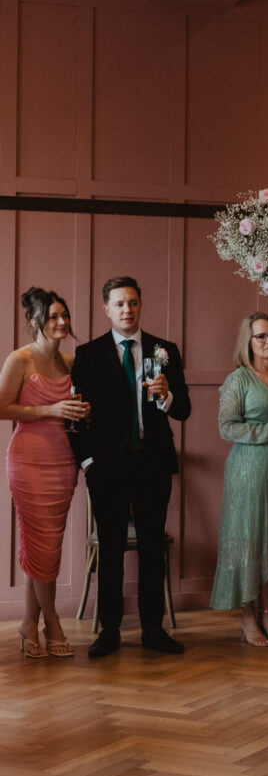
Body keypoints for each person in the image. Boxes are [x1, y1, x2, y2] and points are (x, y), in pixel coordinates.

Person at [70, 276, 191, 658]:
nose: (127, 310)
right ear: (106, 309)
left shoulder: (164, 349)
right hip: (106, 470)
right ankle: (109, 631)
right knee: (111, 548)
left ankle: (153, 629)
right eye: (120, 304)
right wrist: (88, 463)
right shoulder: (87, 355)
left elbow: (184, 409)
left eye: (133, 303)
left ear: (141, 305)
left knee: (153, 547)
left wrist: (166, 395)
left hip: (152, 464)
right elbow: (76, 419)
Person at [0, 288, 89, 657]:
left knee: (44, 547)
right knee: (42, 545)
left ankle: (26, 625)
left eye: (65, 316)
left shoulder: (72, 362)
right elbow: (2, 408)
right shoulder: (20, 359)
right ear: (34, 321)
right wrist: (49, 411)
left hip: (64, 461)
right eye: (53, 317)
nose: (62, 323)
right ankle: (51, 620)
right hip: (29, 461)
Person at [211, 314, 268, 646]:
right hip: (249, 471)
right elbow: (227, 427)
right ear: (247, 342)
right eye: (261, 336)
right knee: (250, 545)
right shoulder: (238, 379)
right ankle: (248, 616)